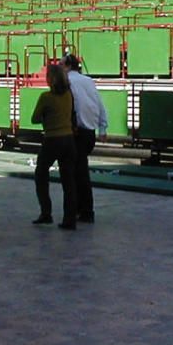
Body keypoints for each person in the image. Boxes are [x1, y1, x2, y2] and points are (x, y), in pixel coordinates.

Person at [61, 54, 108, 224]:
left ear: (67, 66)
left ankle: (82, 211)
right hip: (89, 131)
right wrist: (103, 127)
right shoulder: (88, 81)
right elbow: (99, 104)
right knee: (80, 171)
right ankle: (83, 210)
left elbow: (74, 106)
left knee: (75, 174)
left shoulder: (68, 82)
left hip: (77, 132)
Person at [30, 63, 78, 230]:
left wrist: (46, 118)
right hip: (69, 139)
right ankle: (70, 218)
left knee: (41, 174)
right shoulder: (68, 95)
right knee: (68, 180)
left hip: (52, 139)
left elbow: (34, 118)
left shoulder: (46, 97)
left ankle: (46, 212)